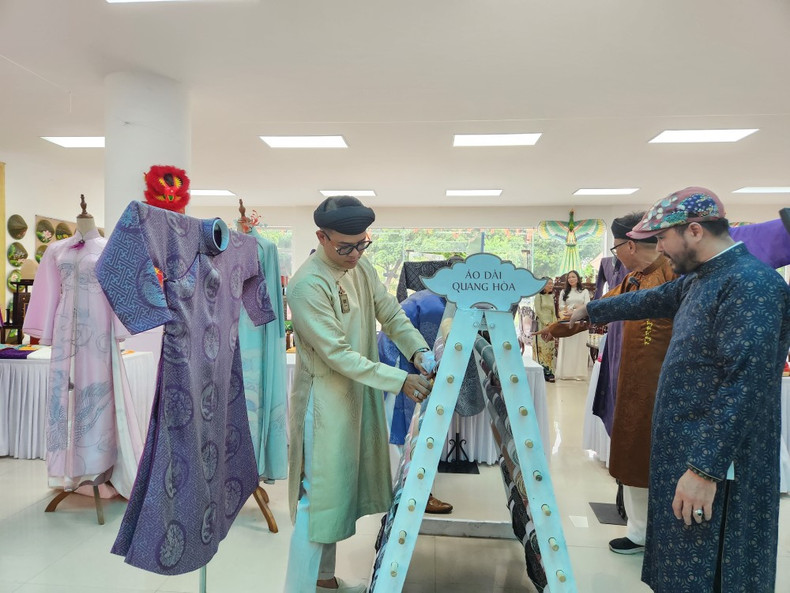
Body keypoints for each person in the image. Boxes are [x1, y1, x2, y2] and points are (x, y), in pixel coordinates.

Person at [570, 187, 790, 593]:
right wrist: (592, 310)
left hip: (721, 467)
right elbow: (652, 299)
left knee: (712, 570)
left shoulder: (750, 285)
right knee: (681, 567)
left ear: (693, 231)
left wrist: (704, 470)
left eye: (663, 239)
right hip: (691, 454)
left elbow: (745, 386)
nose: (661, 251)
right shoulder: (703, 278)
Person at [284, 196, 433, 593]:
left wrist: (418, 349)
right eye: (344, 247)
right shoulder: (306, 285)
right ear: (321, 237)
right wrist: (400, 380)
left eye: (362, 244)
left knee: (337, 496)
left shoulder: (360, 266)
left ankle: (324, 580)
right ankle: (299, 587)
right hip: (326, 405)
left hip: (357, 394)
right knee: (319, 501)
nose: (354, 254)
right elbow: (337, 354)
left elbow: (391, 312)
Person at [600, 212, 677, 555]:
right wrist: (566, 324)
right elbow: (603, 306)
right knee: (633, 454)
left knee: (667, 460)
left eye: (616, 248)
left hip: (670, 387)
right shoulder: (632, 279)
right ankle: (639, 532)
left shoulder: (674, 274)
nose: (615, 255)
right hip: (633, 384)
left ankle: (669, 533)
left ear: (629, 244)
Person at [554, 270, 590, 380]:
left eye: (573, 277)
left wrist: (574, 309)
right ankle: (566, 373)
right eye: (569, 277)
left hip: (581, 323)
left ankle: (579, 373)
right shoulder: (564, 292)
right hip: (568, 322)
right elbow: (561, 306)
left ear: (578, 278)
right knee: (568, 347)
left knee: (580, 347)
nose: (571, 279)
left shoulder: (584, 291)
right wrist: (574, 308)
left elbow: (587, 305)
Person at [532, 278, 558, 382]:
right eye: (549, 283)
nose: (551, 285)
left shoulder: (551, 296)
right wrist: (547, 323)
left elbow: (553, 312)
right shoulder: (538, 296)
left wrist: (554, 324)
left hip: (551, 325)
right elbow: (538, 311)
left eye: (552, 283)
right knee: (542, 347)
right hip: (541, 325)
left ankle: (550, 371)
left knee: (550, 347)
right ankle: (542, 371)